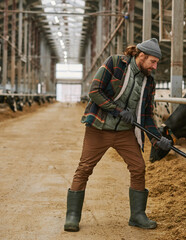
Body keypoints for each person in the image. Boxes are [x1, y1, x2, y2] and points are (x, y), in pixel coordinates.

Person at [64, 38, 172, 232]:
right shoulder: (114, 63)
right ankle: (72, 215)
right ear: (141, 56)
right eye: (152, 62)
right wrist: (118, 110)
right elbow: (94, 92)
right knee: (84, 168)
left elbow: (146, 115)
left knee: (138, 168)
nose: (155, 66)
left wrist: (157, 140)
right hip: (98, 127)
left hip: (124, 133)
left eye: (156, 62)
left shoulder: (149, 81)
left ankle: (137, 215)